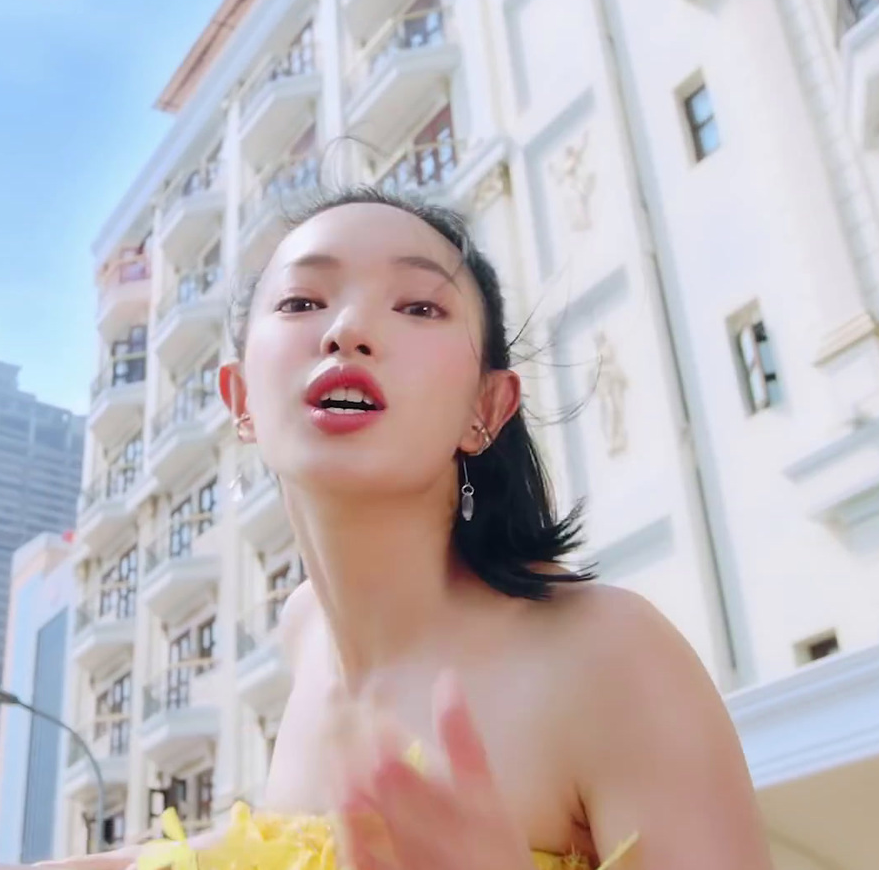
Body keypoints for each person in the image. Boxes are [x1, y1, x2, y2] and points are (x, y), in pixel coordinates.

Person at [44, 188, 772, 869]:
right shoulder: (303, 633)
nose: (348, 330)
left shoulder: (610, 652)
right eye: (302, 299)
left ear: (485, 407)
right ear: (241, 400)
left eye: (420, 307)